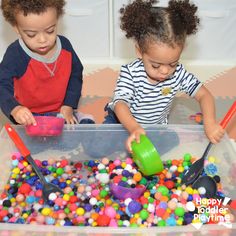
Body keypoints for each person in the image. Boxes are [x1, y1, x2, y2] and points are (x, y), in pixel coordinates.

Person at [104, 0, 225, 152]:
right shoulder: (130, 73)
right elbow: (120, 104)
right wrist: (134, 128)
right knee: (96, 148)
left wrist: (210, 122)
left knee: (166, 144)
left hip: (154, 129)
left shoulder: (179, 74)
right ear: (139, 52)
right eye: (156, 65)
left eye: (173, 64)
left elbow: (204, 95)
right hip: (122, 123)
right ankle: (89, 123)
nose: (165, 71)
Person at [0, 0, 94, 125]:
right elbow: (2, 85)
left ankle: (74, 116)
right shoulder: (15, 54)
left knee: (75, 133)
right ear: (17, 28)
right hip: (30, 115)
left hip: (60, 111)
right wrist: (15, 109)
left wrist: (68, 105)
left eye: (50, 31)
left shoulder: (65, 46)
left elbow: (75, 75)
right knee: (34, 139)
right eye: (31, 34)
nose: (43, 40)